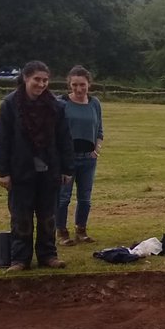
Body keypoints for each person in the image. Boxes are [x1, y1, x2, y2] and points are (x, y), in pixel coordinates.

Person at [0, 60, 75, 272]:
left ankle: (48, 255)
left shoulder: (56, 106)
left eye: (45, 80)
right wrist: (3, 171)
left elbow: (64, 139)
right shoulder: (9, 105)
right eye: (37, 79)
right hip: (20, 171)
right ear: (25, 78)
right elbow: (2, 139)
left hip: (50, 171)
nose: (41, 84)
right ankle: (20, 259)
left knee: (48, 216)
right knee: (21, 216)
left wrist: (67, 169)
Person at [56, 65, 104, 246]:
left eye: (82, 84)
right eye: (74, 85)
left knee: (85, 198)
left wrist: (96, 150)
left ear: (89, 84)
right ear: (69, 84)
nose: (78, 89)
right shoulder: (61, 103)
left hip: (88, 159)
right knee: (63, 198)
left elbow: (99, 130)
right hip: (66, 159)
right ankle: (61, 232)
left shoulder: (94, 103)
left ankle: (81, 230)